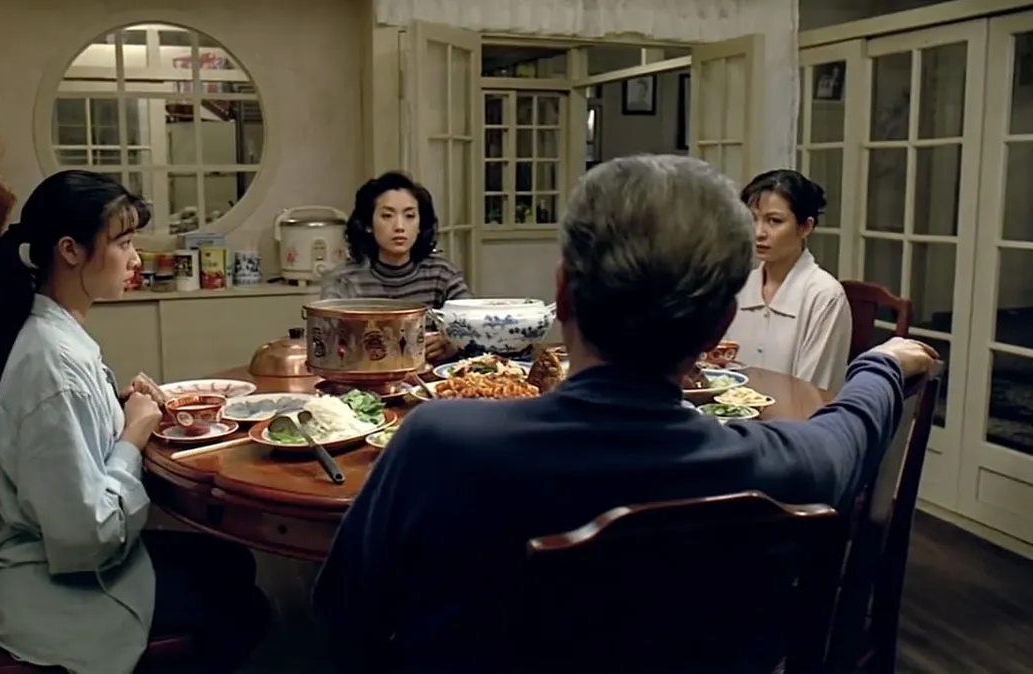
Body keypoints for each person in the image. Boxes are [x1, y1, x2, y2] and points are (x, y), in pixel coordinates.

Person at [311, 155, 937, 672]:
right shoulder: (776, 465)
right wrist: (881, 364)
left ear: (563, 294)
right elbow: (847, 435)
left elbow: (344, 612)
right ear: (721, 325)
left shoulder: (439, 443)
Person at [0, 170, 268, 674]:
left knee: (233, 562)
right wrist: (132, 435)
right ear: (69, 250)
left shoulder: (51, 332)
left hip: (53, 553)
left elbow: (69, 447)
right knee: (243, 610)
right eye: (123, 243)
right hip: (49, 582)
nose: (136, 259)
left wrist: (116, 406)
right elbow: (88, 537)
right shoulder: (53, 363)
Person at [724, 169, 854, 392]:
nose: (759, 232)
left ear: (806, 227)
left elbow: (812, 393)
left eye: (774, 221)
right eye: (752, 219)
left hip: (797, 413)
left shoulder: (824, 296)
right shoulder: (739, 286)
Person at [321, 171, 470, 361]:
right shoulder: (344, 280)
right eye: (387, 215)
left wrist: (450, 342)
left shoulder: (442, 274)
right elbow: (326, 338)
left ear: (420, 225)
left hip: (430, 375)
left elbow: (469, 326)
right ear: (368, 224)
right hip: (363, 373)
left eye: (409, 216)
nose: (399, 226)